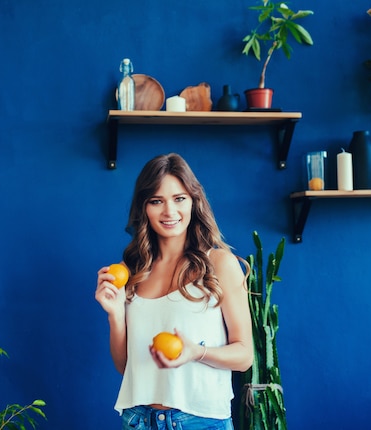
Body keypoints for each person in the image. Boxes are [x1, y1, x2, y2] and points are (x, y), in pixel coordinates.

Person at [95, 153, 253, 430]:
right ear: (144, 208)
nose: (169, 212)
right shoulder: (132, 270)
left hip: (200, 422)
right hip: (139, 420)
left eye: (179, 198)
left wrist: (196, 352)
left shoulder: (220, 264)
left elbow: (244, 356)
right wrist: (115, 314)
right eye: (157, 201)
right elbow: (126, 367)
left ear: (194, 201)